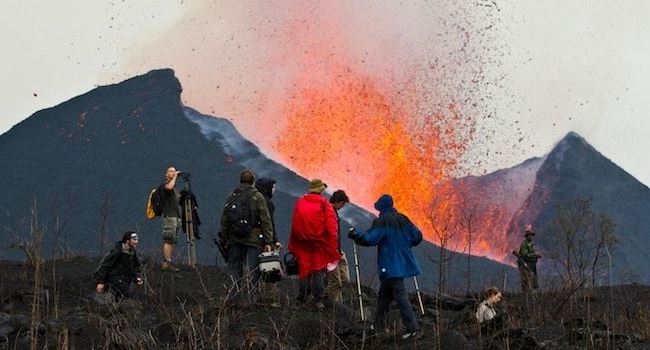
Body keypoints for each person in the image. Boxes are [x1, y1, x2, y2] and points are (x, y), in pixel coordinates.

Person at [348, 194, 422, 340]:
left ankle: (413, 329)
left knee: (400, 295)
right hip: (403, 261)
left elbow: (370, 238)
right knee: (384, 297)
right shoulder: (403, 219)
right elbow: (417, 236)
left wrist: (354, 234)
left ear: (381, 207)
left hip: (390, 263)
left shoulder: (382, 221)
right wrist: (405, 244)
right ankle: (378, 326)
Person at [219, 170, 274, 301]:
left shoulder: (232, 195)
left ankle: (233, 297)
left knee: (234, 268)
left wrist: (224, 236)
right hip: (254, 239)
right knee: (253, 270)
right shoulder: (258, 197)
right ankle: (252, 298)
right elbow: (266, 220)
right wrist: (269, 241)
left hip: (235, 238)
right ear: (253, 181)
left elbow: (225, 218)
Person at [288, 179, 340, 309]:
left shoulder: (300, 202)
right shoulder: (324, 204)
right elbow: (332, 227)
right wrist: (332, 246)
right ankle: (318, 299)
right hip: (319, 243)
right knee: (318, 270)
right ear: (321, 190)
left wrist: (294, 244)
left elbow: (294, 224)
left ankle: (301, 298)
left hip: (302, 243)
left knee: (304, 270)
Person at [255, 177, 282, 307]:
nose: (274, 189)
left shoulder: (253, 199)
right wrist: (273, 241)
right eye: (272, 187)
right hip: (265, 241)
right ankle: (270, 299)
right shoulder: (267, 203)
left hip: (252, 240)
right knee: (270, 268)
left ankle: (256, 296)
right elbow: (269, 223)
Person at [94, 231, 143, 301]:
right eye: (134, 239)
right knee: (128, 293)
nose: (136, 242)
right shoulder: (116, 251)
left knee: (120, 298)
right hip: (115, 278)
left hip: (125, 279)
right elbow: (105, 265)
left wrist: (137, 278)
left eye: (137, 239)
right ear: (127, 241)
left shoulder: (132, 252)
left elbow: (135, 266)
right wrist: (100, 282)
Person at [323, 189, 351, 304]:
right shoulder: (329, 212)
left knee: (344, 279)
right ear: (337, 201)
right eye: (342, 204)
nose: (342, 207)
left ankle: (336, 302)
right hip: (330, 252)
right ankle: (327, 300)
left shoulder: (333, 211)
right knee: (336, 281)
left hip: (336, 250)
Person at [161, 166, 182, 272]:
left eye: (174, 171)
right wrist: (175, 177)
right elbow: (169, 187)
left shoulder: (175, 189)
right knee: (168, 239)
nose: (173, 173)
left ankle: (168, 260)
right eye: (171, 171)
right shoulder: (165, 185)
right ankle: (166, 262)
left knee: (172, 240)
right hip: (170, 216)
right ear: (166, 174)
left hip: (176, 216)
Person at [513, 224, 542, 292]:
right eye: (530, 235)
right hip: (526, 264)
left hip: (532, 264)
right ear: (527, 236)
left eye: (532, 235)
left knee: (532, 279)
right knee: (527, 279)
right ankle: (527, 293)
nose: (531, 236)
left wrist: (536, 256)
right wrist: (535, 255)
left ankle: (531, 292)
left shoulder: (530, 244)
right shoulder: (524, 244)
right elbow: (524, 254)